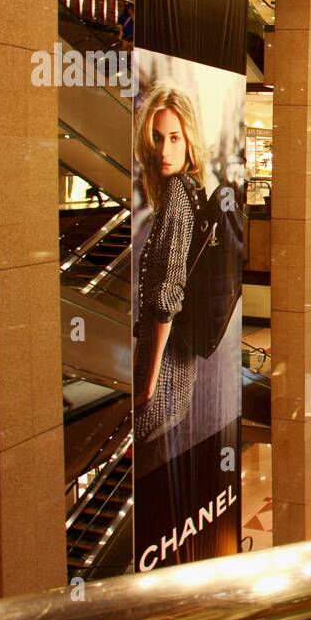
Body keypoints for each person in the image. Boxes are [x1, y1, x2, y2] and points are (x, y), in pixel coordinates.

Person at [132, 82, 204, 442]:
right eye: (157, 138)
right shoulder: (193, 189)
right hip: (179, 378)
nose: (164, 149)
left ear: (190, 138)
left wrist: (147, 383)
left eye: (175, 138)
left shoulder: (178, 193)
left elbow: (167, 296)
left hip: (162, 380)